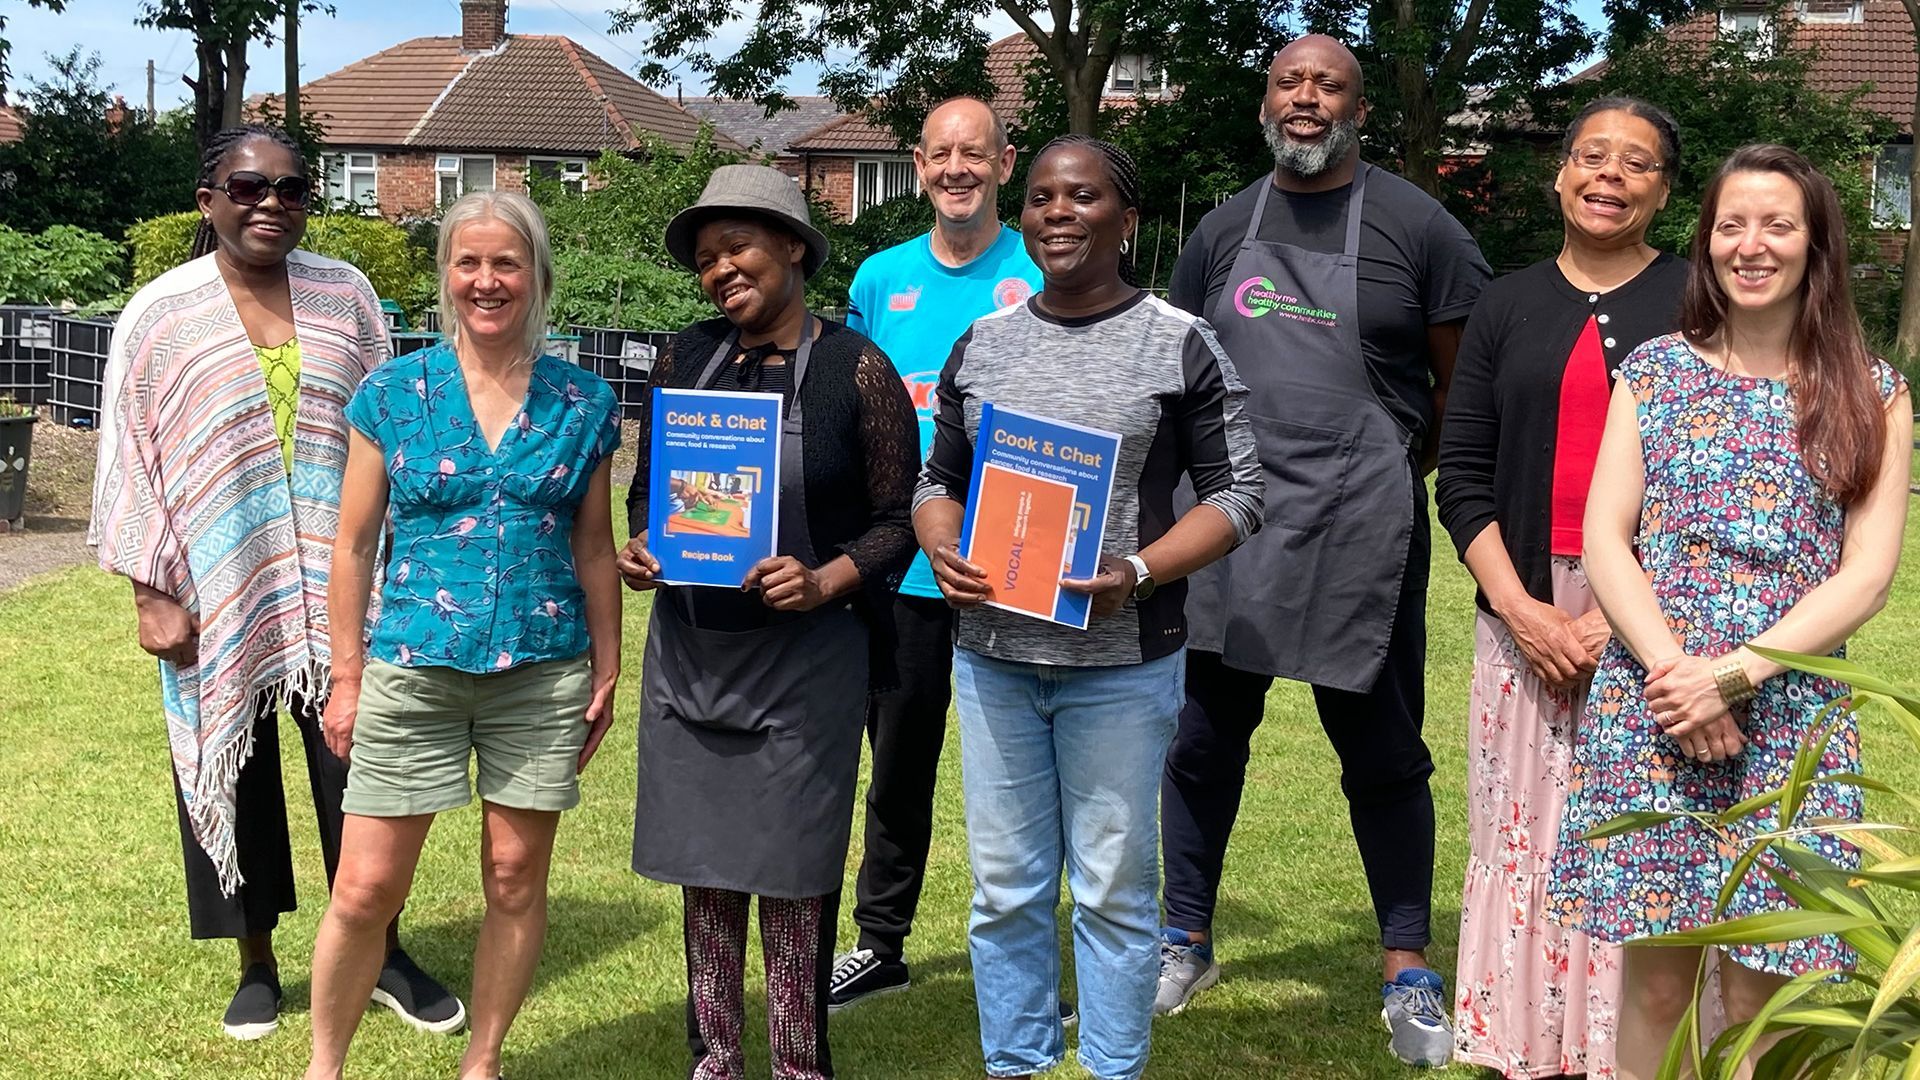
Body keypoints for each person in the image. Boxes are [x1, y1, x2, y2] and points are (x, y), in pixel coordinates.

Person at [1155, 34, 1490, 1066]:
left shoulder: (1419, 227)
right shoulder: (1220, 229)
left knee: (1382, 750)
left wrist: (1382, 468)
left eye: (1329, 85)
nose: (1307, 100)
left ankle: (1406, 965)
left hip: (1356, 526)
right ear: (1267, 102)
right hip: (1225, 523)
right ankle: (1185, 939)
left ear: (1358, 108)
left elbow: (1461, 393)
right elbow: (1175, 374)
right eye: (1289, 83)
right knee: (1202, 741)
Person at [88, 123, 462, 1043]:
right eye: (249, 187)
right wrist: (151, 589)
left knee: (364, 772)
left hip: (347, 582)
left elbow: (392, 424)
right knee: (234, 765)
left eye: (292, 190)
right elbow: (128, 454)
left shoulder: (348, 294)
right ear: (207, 197)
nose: (271, 205)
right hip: (220, 584)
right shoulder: (160, 312)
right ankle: (255, 957)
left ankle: (382, 949)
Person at [1547, 144, 1911, 1080]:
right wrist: (1682, 676)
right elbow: (1605, 539)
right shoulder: (1658, 372)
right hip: (1655, 711)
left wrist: (1736, 675)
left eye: (1777, 224)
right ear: (1707, 241)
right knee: (1657, 987)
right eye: (1730, 225)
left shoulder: (1872, 393)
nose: (1751, 245)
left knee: (1766, 991)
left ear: (1816, 243)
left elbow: (1866, 574)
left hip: (1789, 724)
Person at [915, 134, 1264, 1080]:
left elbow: (1239, 496)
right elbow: (935, 478)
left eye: (1082, 197)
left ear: (1129, 220)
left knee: (1112, 891)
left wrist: (1142, 571)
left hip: (1122, 664)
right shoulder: (983, 344)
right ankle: (1017, 1064)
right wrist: (941, 541)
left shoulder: (1178, 341)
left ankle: (1114, 1066)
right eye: (1039, 198)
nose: (1057, 212)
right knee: (1004, 892)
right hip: (992, 659)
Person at [304, 190, 623, 1080]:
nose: (488, 281)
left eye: (506, 263)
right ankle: (323, 1066)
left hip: (541, 669)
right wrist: (348, 676)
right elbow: (354, 544)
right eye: (469, 262)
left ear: (537, 276)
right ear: (447, 276)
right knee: (365, 887)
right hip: (412, 667)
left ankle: (481, 1063)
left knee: (516, 878)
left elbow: (593, 546)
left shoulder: (584, 404)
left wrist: (609, 666)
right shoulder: (394, 395)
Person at [619, 164, 920, 1080]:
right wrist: (641, 544)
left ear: (793, 246)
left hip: (807, 657)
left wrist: (827, 577)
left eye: (738, 248)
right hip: (692, 651)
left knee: (792, 870)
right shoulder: (686, 357)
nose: (721, 271)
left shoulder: (855, 369)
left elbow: (902, 516)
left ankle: (797, 1063)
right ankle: (716, 1058)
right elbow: (648, 489)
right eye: (707, 259)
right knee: (704, 866)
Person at [1435, 96, 1687, 1079]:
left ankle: (1637, 1050)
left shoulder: (1701, 300)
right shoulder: (1505, 304)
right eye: (1591, 156)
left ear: (1665, 189)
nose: (1608, 176)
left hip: (1663, 621)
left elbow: (1714, 465)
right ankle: (1533, 1044)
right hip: (1522, 615)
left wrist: (1625, 625)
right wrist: (1520, 610)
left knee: (1642, 841)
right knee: (1528, 837)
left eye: (1635, 163)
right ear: (1560, 173)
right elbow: (1461, 475)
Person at [830, 94, 1046, 1012]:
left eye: (976, 153)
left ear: (1005, 165)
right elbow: (846, 418)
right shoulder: (879, 280)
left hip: (1019, 563)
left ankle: (1037, 957)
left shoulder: (1046, 268)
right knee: (899, 761)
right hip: (903, 572)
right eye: (939, 155)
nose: (956, 169)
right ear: (918, 167)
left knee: (1034, 773)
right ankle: (882, 942)